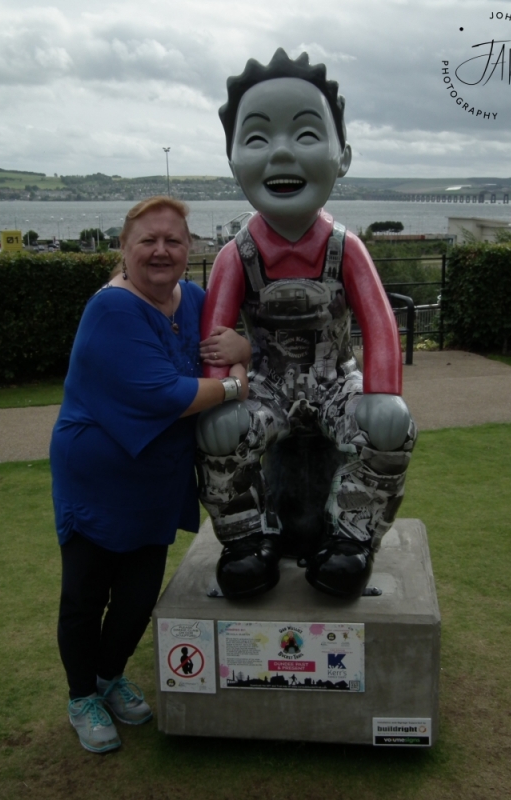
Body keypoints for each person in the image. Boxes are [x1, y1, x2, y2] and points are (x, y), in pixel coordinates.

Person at [196, 49, 417, 600]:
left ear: (343, 157)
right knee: (219, 428)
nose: (282, 152)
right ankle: (247, 540)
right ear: (232, 160)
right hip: (265, 386)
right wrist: (224, 388)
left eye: (307, 134)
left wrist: (381, 391)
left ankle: (351, 539)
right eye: (256, 138)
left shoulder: (347, 249)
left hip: (336, 382)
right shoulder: (235, 256)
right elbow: (213, 340)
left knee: (390, 424)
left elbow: (380, 324)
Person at [50, 196, 250, 754]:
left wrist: (244, 348)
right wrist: (237, 383)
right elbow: (166, 394)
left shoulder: (195, 299)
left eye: (173, 240)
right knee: (86, 595)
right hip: (97, 481)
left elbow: (224, 351)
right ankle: (81, 696)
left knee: (138, 598)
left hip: (156, 478)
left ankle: (108, 678)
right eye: (148, 240)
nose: (161, 251)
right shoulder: (112, 309)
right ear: (124, 248)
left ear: (189, 248)